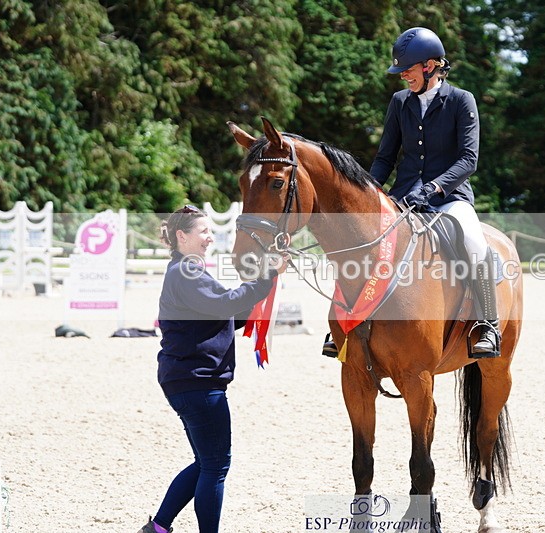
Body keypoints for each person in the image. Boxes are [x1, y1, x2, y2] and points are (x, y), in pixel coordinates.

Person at [322, 27, 499, 358]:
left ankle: (487, 324)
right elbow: (385, 157)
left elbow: (468, 160)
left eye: (408, 69)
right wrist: (367, 194)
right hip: (402, 196)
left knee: (474, 241)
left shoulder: (461, 100)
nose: (403, 76)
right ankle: (342, 324)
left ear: (430, 66)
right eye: (401, 71)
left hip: (449, 198)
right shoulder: (400, 102)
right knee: (359, 239)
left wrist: (433, 188)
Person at [138, 205, 286, 533]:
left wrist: (263, 287)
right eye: (203, 231)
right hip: (197, 382)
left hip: (188, 380)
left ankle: (158, 527)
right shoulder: (186, 272)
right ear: (182, 236)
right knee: (216, 465)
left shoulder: (186, 270)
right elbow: (223, 304)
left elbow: (224, 316)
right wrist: (266, 279)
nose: (210, 237)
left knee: (206, 462)